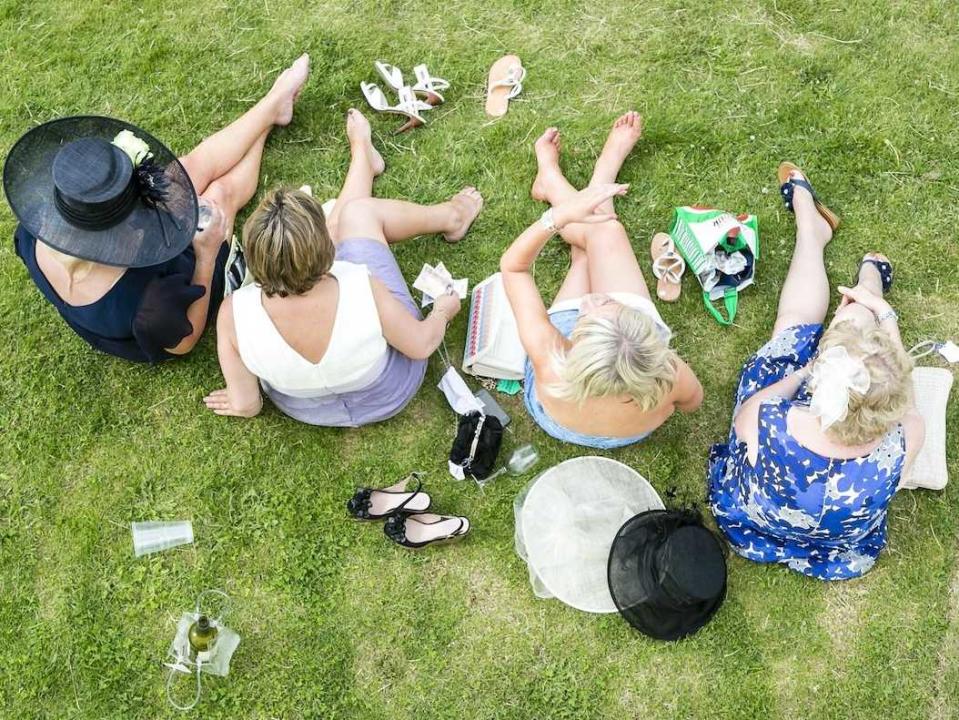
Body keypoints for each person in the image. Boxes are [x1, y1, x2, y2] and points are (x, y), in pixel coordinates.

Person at [3, 55, 310, 362]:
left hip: (131, 265)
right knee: (220, 196)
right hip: (179, 291)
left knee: (187, 169)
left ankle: (272, 106)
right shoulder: (148, 306)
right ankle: (267, 127)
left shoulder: (33, 233)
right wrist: (206, 257)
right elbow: (185, 340)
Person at [708, 163, 925, 581]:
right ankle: (869, 289)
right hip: (839, 550)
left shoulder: (771, 419)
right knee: (860, 319)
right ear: (891, 408)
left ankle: (814, 234)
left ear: (822, 381)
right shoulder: (903, 441)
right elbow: (907, 394)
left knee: (792, 326)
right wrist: (882, 316)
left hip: (755, 525)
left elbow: (747, 415)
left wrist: (804, 368)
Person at [202, 109, 483, 426]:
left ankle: (364, 160)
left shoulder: (232, 314)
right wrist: (443, 311)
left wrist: (241, 400)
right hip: (389, 390)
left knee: (344, 222)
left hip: (308, 409)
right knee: (357, 215)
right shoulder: (360, 285)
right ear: (326, 250)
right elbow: (420, 345)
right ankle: (452, 216)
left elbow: (248, 403)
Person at [500, 114, 704, 449]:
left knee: (594, 243)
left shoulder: (552, 360)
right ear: (649, 339)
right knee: (601, 235)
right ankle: (588, 186)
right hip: (628, 422)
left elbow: (513, 268)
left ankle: (553, 182)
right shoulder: (665, 373)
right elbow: (692, 402)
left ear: (574, 352)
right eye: (608, 304)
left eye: (590, 315)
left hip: (557, 417)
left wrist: (558, 217)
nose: (591, 299)